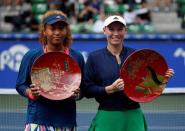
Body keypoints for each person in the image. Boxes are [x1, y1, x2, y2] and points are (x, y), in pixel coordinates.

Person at [82, 15, 175, 131]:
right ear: (104, 30)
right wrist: (108, 89)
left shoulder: (136, 56)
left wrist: (161, 82)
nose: (116, 33)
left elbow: (146, 89)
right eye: (111, 29)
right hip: (107, 116)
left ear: (125, 30)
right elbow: (86, 89)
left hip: (133, 117)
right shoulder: (94, 58)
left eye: (120, 29)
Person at [16, 10, 85, 131]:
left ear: (66, 31)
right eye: (52, 28)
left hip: (66, 121)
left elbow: (83, 88)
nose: (57, 32)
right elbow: (20, 85)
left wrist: (77, 94)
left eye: (61, 28)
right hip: (37, 120)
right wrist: (31, 93)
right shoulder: (32, 56)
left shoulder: (76, 57)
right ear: (44, 31)